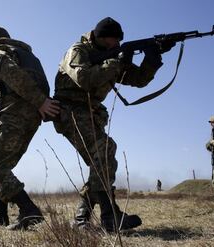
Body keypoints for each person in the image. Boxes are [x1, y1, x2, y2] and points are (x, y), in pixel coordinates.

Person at [52, 17, 174, 231]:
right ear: (100, 37)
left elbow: (138, 80)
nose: (117, 44)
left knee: (100, 162)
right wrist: (116, 60)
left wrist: (153, 58)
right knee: (105, 149)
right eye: (113, 40)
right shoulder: (78, 50)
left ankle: (82, 218)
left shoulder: (112, 56)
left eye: (119, 41)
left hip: (91, 114)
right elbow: (85, 78)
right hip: (69, 110)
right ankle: (110, 216)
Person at [0, 26, 60, 230]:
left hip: (14, 114)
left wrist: (40, 101)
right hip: (31, 117)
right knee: (3, 164)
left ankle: (28, 209)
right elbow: (16, 79)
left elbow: (13, 75)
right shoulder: (26, 55)